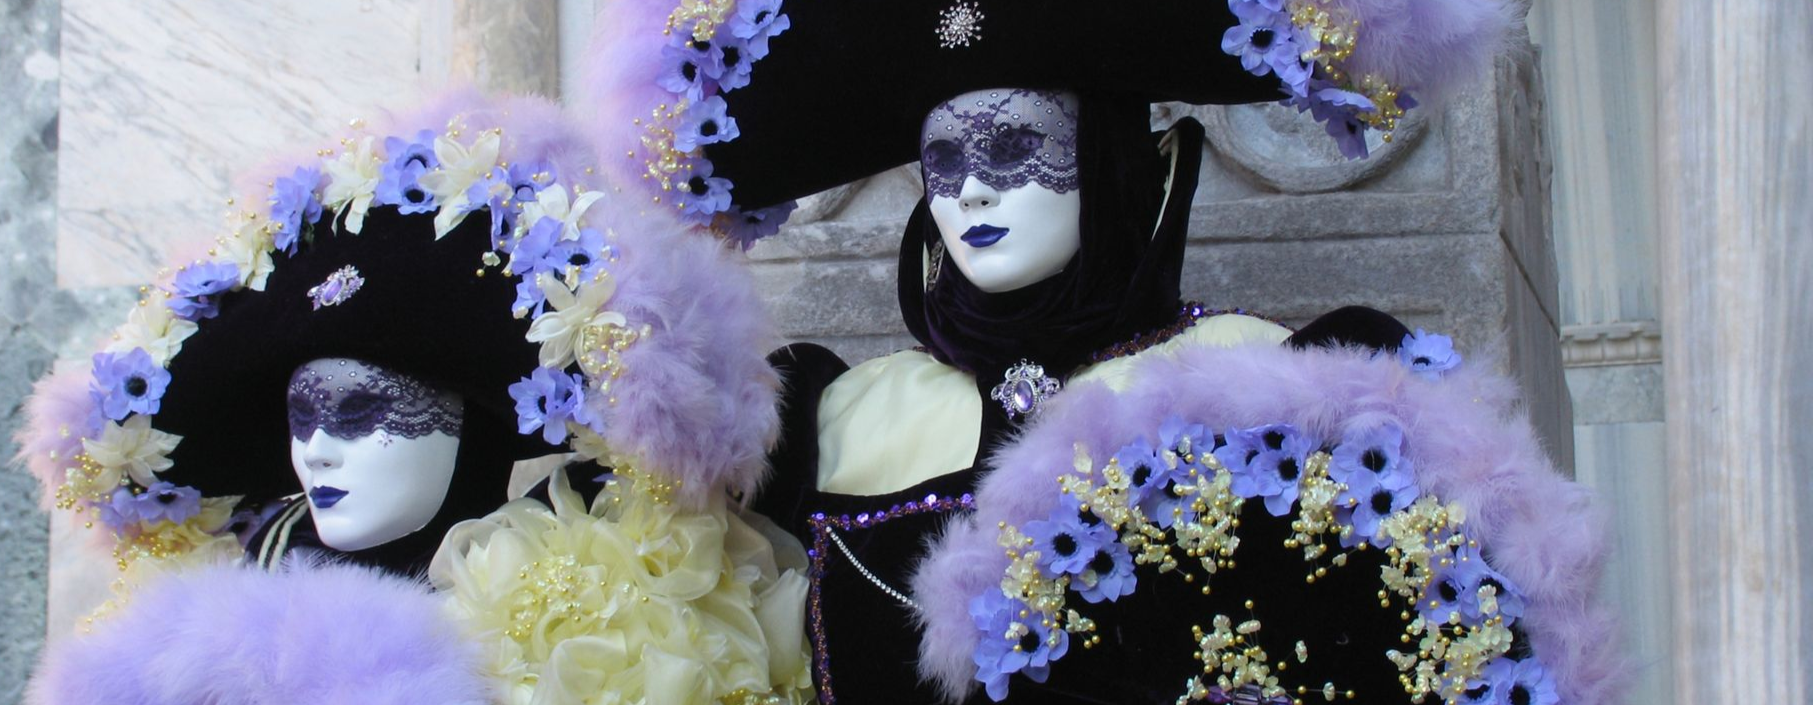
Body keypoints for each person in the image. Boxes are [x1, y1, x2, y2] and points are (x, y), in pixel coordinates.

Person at [584, 1, 1623, 703]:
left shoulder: (1269, 385)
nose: (973, 191)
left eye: (1015, 146)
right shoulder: (836, 421)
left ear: (1124, 163)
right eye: (943, 162)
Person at [20, 92, 810, 704]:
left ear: (474, 422)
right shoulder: (185, 634)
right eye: (302, 416)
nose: (316, 448)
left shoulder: (597, 610)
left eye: (361, 413)